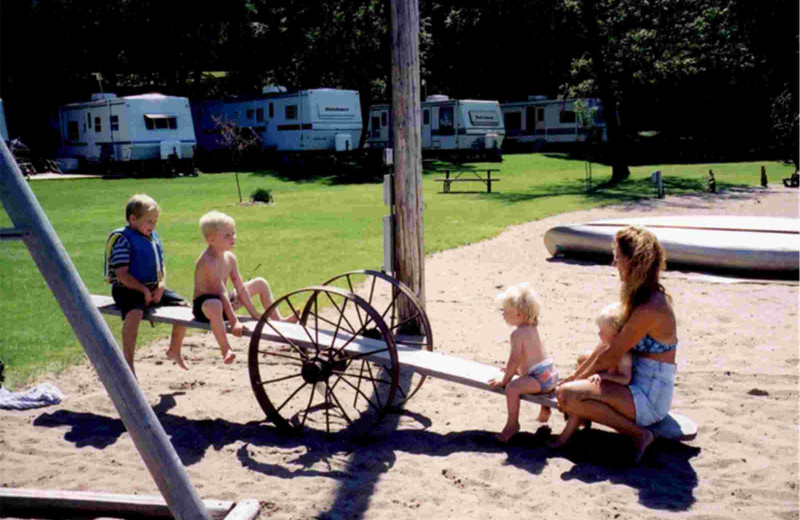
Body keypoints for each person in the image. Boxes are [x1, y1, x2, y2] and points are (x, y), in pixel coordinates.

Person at [556, 226, 678, 463]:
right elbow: (607, 346)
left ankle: (640, 434)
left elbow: (612, 356)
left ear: (633, 262)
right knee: (582, 363)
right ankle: (583, 412)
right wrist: (577, 375)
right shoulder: (642, 295)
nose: (614, 264)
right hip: (637, 382)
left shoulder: (651, 307)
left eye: (618, 258)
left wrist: (573, 382)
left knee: (567, 395)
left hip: (649, 397)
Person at [192, 211, 296, 364]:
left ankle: (279, 320)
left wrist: (254, 314)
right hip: (205, 307)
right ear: (211, 239)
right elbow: (221, 292)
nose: (233, 238)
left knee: (260, 282)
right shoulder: (208, 261)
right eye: (227, 235)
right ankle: (225, 349)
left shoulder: (230, 258)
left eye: (233, 233)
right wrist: (234, 322)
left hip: (225, 302)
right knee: (216, 304)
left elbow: (240, 288)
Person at [105, 194, 188, 376]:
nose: (153, 226)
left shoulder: (152, 237)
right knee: (134, 314)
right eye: (149, 221)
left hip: (152, 287)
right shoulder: (123, 240)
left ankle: (174, 349)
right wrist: (143, 290)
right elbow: (122, 274)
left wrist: (160, 286)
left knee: (185, 307)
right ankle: (128, 363)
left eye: (156, 221)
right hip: (127, 289)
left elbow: (161, 265)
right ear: (133, 219)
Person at [549, 302, 631, 448]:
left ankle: (565, 436)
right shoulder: (606, 344)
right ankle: (581, 418)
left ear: (616, 333)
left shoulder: (623, 353)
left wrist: (603, 377)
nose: (599, 334)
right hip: (604, 381)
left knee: (579, 397)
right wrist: (573, 378)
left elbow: (626, 378)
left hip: (614, 389)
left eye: (603, 331)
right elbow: (591, 362)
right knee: (582, 363)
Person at [488, 283, 558, 442]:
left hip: (540, 378)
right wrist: (513, 370)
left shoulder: (517, 334)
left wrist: (505, 379)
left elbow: (515, 360)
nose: (503, 314)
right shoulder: (533, 327)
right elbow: (531, 357)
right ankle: (545, 407)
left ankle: (512, 424)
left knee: (512, 388)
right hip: (550, 374)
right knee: (525, 377)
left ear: (518, 314)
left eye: (505, 311)